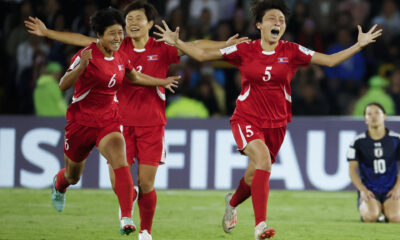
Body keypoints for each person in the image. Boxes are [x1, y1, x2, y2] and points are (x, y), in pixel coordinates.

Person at [154, 0, 382, 238]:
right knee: (263, 160)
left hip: (277, 124)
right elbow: (202, 55)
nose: (278, 23)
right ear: (259, 25)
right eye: (272, 18)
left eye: (281, 20)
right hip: (246, 118)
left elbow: (330, 60)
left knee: (253, 176)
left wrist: (358, 45)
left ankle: (232, 203)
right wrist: (177, 42)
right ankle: (260, 226)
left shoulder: (292, 50)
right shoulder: (245, 50)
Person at [24, 1, 247, 239]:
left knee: (146, 184)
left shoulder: (161, 48)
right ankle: (118, 209)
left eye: (137, 18)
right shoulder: (117, 45)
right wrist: (47, 33)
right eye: (128, 19)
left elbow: (195, 46)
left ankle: (145, 232)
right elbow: (80, 39)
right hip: (118, 122)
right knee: (120, 185)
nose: (131, 23)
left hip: (151, 125)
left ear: (150, 24)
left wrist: (225, 45)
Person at [51, 7, 179, 236]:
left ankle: (126, 217)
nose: (118, 38)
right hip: (80, 123)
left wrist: (161, 80)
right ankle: (59, 185)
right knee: (73, 176)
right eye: (112, 33)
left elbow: (135, 76)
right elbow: (62, 84)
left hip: (109, 121)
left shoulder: (121, 56)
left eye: (120, 32)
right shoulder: (86, 55)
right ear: (99, 35)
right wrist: (81, 67)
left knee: (121, 161)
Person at [347, 102, 400, 223]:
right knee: (370, 217)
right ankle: (374, 211)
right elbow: (352, 169)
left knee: (396, 218)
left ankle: (386, 212)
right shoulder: (358, 142)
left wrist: (398, 188)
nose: (373, 116)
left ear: (385, 116)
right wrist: (362, 190)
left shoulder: (396, 139)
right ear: (365, 119)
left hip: (391, 190)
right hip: (370, 190)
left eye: (377, 112)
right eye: (369, 114)